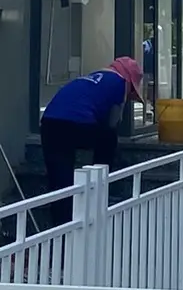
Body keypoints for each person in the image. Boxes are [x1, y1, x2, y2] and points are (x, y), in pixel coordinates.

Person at [39, 54, 144, 192]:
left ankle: (59, 203)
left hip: (49, 123)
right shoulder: (120, 82)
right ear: (130, 81)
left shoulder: (90, 77)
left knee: (60, 179)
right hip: (76, 125)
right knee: (108, 138)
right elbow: (112, 123)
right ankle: (100, 182)